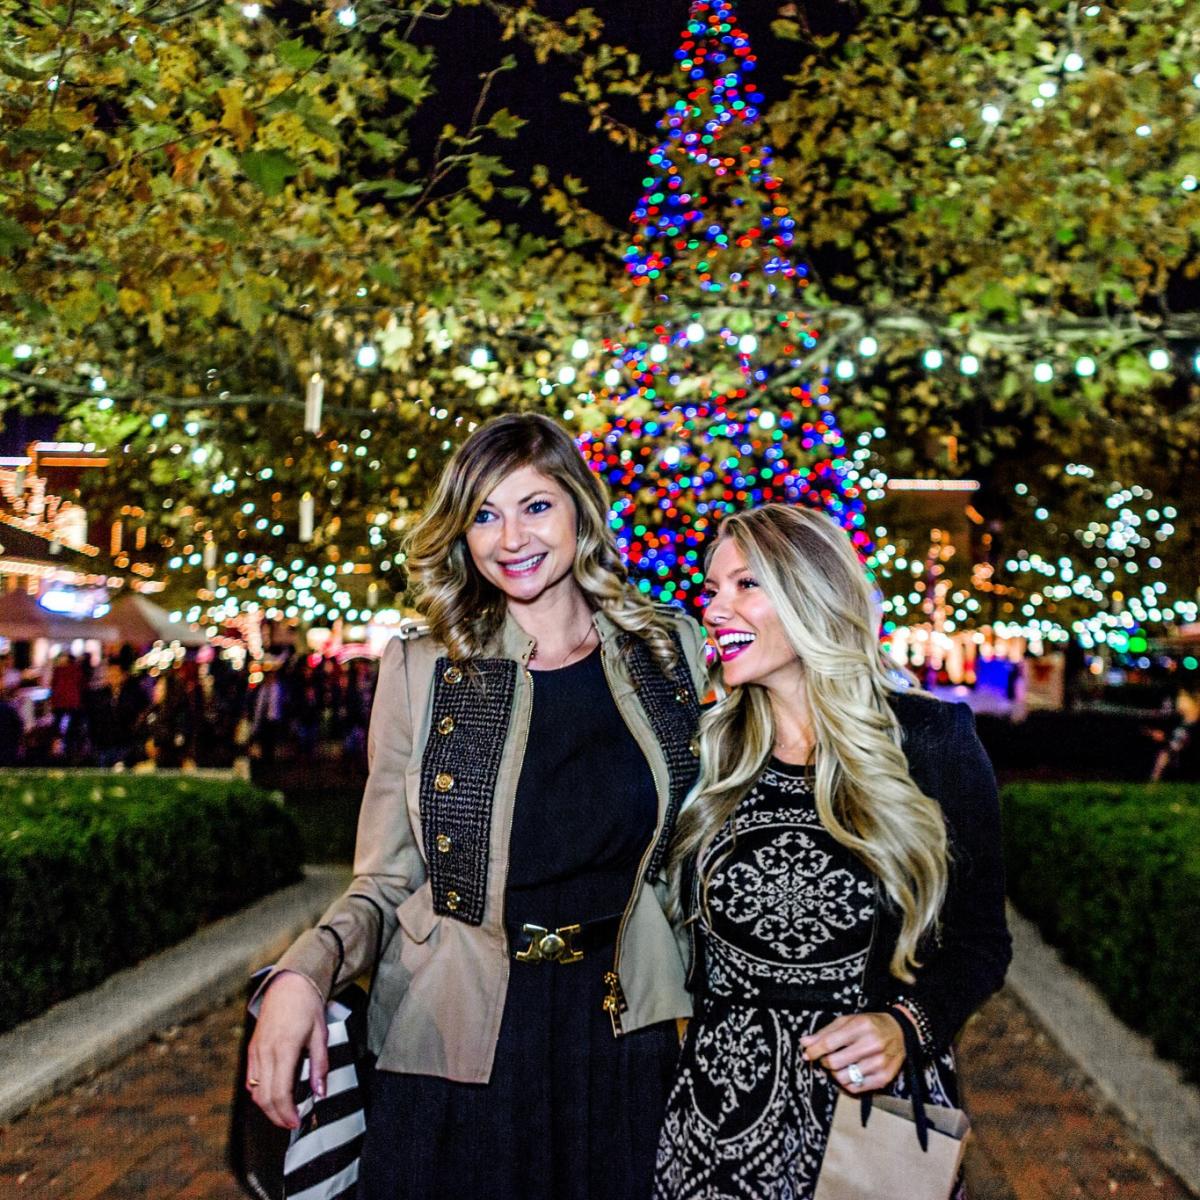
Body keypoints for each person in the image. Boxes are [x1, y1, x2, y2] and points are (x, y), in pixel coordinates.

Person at [247, 413, 708, 1200]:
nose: (510, 538)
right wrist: (305, 971)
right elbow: (385, 880)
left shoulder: (671, 654)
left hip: (624, 1037)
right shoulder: (424, 671)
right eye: (484, 515)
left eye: (535, 506)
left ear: (580, 512)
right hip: (457, 1042)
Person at [654, 504, 1011, 1199]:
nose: (715, 607)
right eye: (711, 589)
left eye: (745, 585)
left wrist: (909, 1025)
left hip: (872, 1121)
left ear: (811, 592)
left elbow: (980, 942)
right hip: (715, 1122)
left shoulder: (930, 741)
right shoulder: (703, 751)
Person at [1150, 684, 1200, 781]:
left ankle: (1156, 779)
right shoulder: (1182, 698)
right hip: (1185, 728)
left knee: (1168, 753)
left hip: (1189, 727)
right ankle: (1155, 779)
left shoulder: (1191, 698)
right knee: (1168, 752)